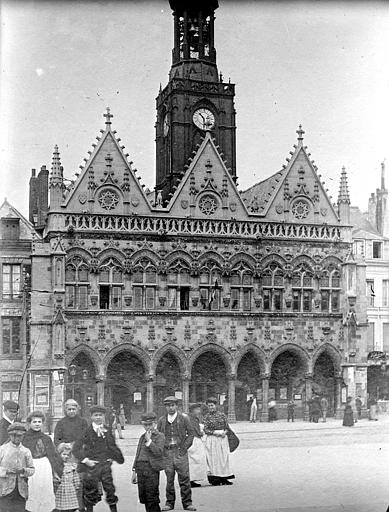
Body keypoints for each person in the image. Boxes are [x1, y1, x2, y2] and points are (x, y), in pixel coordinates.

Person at [73, 404, 124, 512]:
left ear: (104, 416)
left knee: (110, 490)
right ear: (91, 417)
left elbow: (112, 445)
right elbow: (76, 449)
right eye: (96, 415)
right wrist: (86, 461)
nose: (98, 417)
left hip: (105, 465)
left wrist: (114, 457)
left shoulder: (107, 430)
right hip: (92, 466)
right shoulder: (86, 431)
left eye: (100, 415)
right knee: (90, 492)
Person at [157, 396, 196, 512]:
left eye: (172, 405)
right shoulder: (162, 420)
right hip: (167, 452)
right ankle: (169, 503)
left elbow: (191, 433)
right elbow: (158, 436)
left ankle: (187, 503)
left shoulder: (184, 418)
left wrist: (184, 447)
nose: (170, 408)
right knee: (169, 479)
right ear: (165, 407)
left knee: (184, 478)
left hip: (180, 452)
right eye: (168, 406)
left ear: (177, 406)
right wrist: (161, 449)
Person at [23, 410, 63, 512]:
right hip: (32, 465)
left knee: (44, 489)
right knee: (33, 489)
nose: (37, 424)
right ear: (29, 423)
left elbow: (53, 455)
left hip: (44, 466)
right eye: (34, 422)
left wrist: (58, 470)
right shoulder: (25, 437)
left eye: (39, 422)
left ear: (42, 423)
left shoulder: (46, 438)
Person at [54, 399, 89, 511]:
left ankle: (81, 506)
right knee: (68, 483)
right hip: (67, 456)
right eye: (69, 409)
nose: (71, 411)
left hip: (80, 455)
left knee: (80, 482)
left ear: (77, 409)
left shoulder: (83, 422)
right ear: (65, 410)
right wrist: (63, 445)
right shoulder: (61, 423)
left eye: (74, 409)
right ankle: (68, 507)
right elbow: (57, 439)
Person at [132, 412, 166, 512]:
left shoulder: (160, 436)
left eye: (150, 424)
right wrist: (134, 470)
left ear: (155, 423)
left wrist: (149, 441)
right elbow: (138, 454)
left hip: (151, 469)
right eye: (145, 425)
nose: (148, 427)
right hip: (140, 468)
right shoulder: (142, 437)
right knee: (144, 497)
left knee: (152, 497)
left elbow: (159, 452)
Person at [0, 422, 35, 512]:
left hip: (21, 491)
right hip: (5, 489)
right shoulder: (2, 449)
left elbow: (32, 469)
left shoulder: (26, 451)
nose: (16, 438)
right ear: (10, 435)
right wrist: (6, 471)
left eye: (19, 436)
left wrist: (23, 470)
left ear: (23, 436)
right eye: (13, 435)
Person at [203, 396, 234, 486]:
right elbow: (206, 429)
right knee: (214, 458)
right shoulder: (206, 417)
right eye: (209, 406)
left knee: (224, 457)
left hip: (223, 439)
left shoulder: (222, 415)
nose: (211, 407)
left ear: (216, 405)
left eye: (212, 405)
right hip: (212, 439)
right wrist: (215, 433)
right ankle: (215, 478)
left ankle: (225, 477)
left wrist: (225, 432)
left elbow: (227, 426)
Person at [54, 443, 81, 512]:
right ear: (59, 454)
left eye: (68, 455)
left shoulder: (71, 466)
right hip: (60, 492)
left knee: (71, 509)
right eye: (64, 454)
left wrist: (76, 487)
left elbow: (76, 480)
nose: (66, 456)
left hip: (70, 492)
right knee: (60, 508)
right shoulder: (56, 466)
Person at [187, 403, 207, 487]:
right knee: (194, 459)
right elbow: (194, 429)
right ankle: (191, 479)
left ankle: (192, 479)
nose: (199, 411)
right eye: (197, 409)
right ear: (193, 410)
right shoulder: (191, 418)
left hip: (193, 439)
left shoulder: (192, 417)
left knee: (194, 460)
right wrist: (200, 433)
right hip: (194, 440)